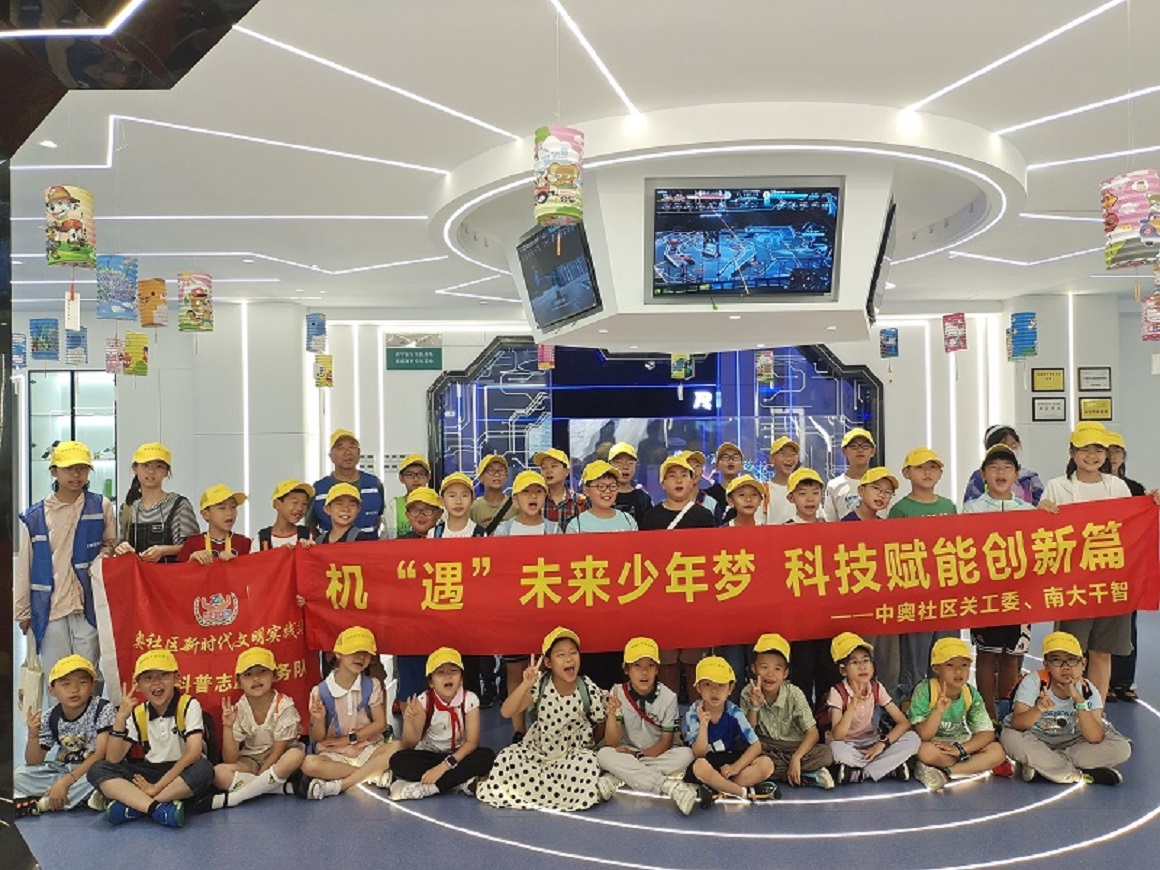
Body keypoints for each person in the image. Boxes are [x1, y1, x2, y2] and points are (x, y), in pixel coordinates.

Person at [1039, 423, 1160, 704]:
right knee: (1069, 651)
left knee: (1102, 651)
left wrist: (1151, 503)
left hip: (1111, 581)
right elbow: (1043, 533)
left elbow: (1133, 527)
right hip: (1074, 583)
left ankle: (1095, 711)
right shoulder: (1057, 486)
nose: (1092, 456)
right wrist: (1041, 511)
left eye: (1099, 450)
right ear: (1072, 452)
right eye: (1084, 449)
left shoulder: (1117, 487)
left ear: (1106, 455)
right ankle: (1069, 710)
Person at [15, 440, 117, 691]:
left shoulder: (101, 506)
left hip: (88, 603)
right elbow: (24, 566)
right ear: (54, 471)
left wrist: (102, 557)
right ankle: (57, 718)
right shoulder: (35, 516)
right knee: (57, 675)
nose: (76, 474)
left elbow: (110, 545)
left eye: (82, 468)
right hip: (50, 606)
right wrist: (23, 611)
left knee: (89, 673)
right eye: (69, 468)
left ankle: (94, 717)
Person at [475, 627, 609, 811]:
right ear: (548, 662)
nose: (569, 659)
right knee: (507, 757)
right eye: (560, 655)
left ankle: (542, 791)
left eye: (573, 653)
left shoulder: (586, 687)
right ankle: (554, 792)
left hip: (572, 755)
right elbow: (506, 712)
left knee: (587, 763)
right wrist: (525, 684)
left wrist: (589, 746)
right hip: (537, 752)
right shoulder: (541, 685)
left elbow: (601, 723)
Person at [87, 649, 215, 828]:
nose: (156, 682)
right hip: (150, 772)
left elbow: (193, 753)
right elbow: (113, 759)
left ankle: (137, 805)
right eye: (148, 678)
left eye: (164, 675)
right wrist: (120, 719)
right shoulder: (139, 713)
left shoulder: (188, 704)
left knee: (204, 769)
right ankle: (158, 808)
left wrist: (157, 787)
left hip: (181, 772)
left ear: (176, 678)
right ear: (138, 685)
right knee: (98, 769)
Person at [1000, 631, 1131, 785]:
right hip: (1035, 738)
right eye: (1056, 660)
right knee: (1009, 737)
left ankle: (1047, 767)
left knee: (1122, 748)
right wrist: (1038, 709)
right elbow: (1017, 724)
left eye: (1072, 660)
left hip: (1073, 742)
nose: (1065, 667)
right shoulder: (1034, 682)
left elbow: (1095, 737)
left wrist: (1079, 700)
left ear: (1083, 664)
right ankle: (1079, 774)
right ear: (1046, 665)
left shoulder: (1088, 690)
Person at [963, 444, 1035, 721]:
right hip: (985, 593)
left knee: (1011, 656)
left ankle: (1005, 713)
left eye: (1007, 468)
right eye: (994, 468)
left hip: (1020, 594)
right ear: (983, 474)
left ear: (1016, 474)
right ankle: (986, 715)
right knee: (986, 654)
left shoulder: (1028, 511)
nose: (1000, 473)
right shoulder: (972, 509)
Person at [493, 470, 562, 740]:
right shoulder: (504, 530)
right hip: (513, 611)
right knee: (515, 670)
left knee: (543, 669)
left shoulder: (554, 529)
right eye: (526, 492)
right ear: (515, 499)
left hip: (545, 610)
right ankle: (519, 730)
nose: (533, 497)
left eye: (538, 491)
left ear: (545, 496)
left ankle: (541, 725)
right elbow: (496, 567)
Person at [596, 637, 699, 814]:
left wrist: (638, 755)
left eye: (650, 666)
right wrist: (611, 714)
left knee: (687, 754)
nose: (644, 672)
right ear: (626, 669)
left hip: (655, 754)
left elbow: (666, 742)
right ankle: (668, 786)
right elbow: (612, 742)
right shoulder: (617, 691)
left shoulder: (668, 697)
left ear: (657, 669)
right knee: (604, 754)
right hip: (626, 751)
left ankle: (620, 777)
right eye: (637, 666)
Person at [888, 448, 958, 703]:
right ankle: (915, 707)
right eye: (920, 467)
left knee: (948, 654)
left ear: (941, 473)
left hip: (946, 593)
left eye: (933, 467)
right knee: (915, 660)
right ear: (907, 473)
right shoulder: (900, 509)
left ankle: (948, 708)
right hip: (915, 594)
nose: (927, 473)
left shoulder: (949, 506)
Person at [641, 455, 715, 697]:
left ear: (693, 481)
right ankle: (669, 715)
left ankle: (696, 715)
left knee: (694, 662)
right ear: (662, 483)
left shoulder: (704, 516)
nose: (679, 480)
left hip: (695, 598)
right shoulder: (651, 518)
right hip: (663, 600)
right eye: (672, 476)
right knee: (667, 662)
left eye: (684, 475)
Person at [387, 647, 496, 800]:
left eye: (453, 671)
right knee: (398, 760)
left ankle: (431, 788)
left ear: (461, 678)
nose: (448, 676)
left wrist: (444, 767)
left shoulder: (470, 699)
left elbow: (472, 742)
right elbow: (409, 743)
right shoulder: (424, 701)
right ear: (431, 682)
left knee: (486, 756)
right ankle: (461, 782)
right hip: (431, 755)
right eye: (440, 672)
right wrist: (409, 722)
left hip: (458, 756)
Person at [14, 654, 112, 816]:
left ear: (93, 685)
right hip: (64, 768)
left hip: (93, 768)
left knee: (103, 777)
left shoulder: (103, 709)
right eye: (66, 684)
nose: (74, 689)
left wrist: (64, 783)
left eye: (82, 682)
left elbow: (101, 754)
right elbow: (34, 761)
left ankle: (44, 803)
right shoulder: (50, 716)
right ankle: (79, 798)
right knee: (19, 775)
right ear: (52, 691)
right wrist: (33, 735)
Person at [301, 626, 392, 799]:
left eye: (366, 653)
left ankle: (343, 781)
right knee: (309, 764)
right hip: (334, 753)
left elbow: (380, 724)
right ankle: (371, 775)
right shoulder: (320, 691)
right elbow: (318, 737)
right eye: (354, 652)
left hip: (367, 748)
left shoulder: (372, 685)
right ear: (338, 654)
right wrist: (319, 719)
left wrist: (350, 739)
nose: (361, 657)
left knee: (397, 747)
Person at [210, 647, 304, 809]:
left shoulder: (284, 705)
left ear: (274, 675)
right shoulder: (239, 708)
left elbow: (277, 751)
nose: (256, 678)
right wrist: (228, 726)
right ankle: (279, 789)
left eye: (263, 671)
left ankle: (238, 797)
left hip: (278, 760)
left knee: (295, 755)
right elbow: (230, 759)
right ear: (239, 682)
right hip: (251, 760)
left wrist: (261, 776)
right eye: (248, 674)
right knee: (218, 773)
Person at [909, 638, 1008, 791]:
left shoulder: (970, 693)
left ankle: (946, 773)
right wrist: (938, 711)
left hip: (959, 743)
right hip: (935, 744)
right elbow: (924, 735)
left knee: (997, 752)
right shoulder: (926, 690)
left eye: (964, 665)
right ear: (936, 668)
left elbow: (987, 733)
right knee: (924, 751)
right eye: (950, 665)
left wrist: (961, 749)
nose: (958, 671)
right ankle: (970, 766)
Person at [740, 634, 834, 790]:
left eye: (777, 669)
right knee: (742, 749)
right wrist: (754, 706)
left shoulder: (794, 693)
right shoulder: (747, 692)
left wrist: (796, 757)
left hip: (793, 745)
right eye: (764, 667)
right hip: (765, 744)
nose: (770, 674)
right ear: (753, 669)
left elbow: (813, 733)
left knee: (826, 754)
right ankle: (803, 774)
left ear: (785, 673)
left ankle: (773, 771)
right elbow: (748, 732)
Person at [825, 632, 919, 784]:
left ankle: (859, 773)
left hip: (871, 740)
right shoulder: (837, 692)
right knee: (835, 749)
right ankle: (887, 768)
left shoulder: (876, 688)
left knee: (913, 739)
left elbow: (903, 723)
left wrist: (882, 745)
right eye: (854, 662)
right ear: (843, 670)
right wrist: (852, 706)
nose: (862, 666)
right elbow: (838, 736)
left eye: (866, 660)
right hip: (848, 744)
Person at [682, 656, 777, 804]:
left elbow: (756, 745)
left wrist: (735, 767)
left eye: (721, 685)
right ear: (698, 688)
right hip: (707, 762)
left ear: (730, 689)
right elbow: (699, 753)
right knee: (700, 766)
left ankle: (719, 788)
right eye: (707, 684)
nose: (714, 690)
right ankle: (741, 792)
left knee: (766, 764)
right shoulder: (693, 713)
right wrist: (703, 725)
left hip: (729, 761)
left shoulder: (734, 712)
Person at [839, 469, 902, 695]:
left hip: (884, 603)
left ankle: (887, 705)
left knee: (889, 661)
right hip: (858, 604)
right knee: (860, 658)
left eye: (887, 492)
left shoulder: (887, 526)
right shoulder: (845, 525)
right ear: (861, 490)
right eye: (876, 489)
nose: (881, 495)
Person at [783, 468, 840, 709]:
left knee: (829, 670)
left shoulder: (831, 530)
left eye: (815, 493)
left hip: (827, 614)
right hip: (799, 617)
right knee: (802, 672)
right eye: (802, 493)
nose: (809, 499)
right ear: (791, 498)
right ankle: (803, 720)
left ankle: (827, 719)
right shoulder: (782, 531)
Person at [1107, 431, 1146, 703]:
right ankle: (1100, 681)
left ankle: (1122, 680)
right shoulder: (1088, 487)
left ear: (1124, 456)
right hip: (1095, 564)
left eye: (1117, 451)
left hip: (1126, 564)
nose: (1112, 456)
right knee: (1097, 623)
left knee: (1126, 624)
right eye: (1108, 451)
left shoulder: (1135, 489)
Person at [113, 442, 198, 562]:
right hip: (138, 574)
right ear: (135, 469)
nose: (151, 471)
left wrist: (164, 551)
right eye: (145, 465)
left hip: (172, 572)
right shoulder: (128, 508)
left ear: (166, 471)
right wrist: (122, 547)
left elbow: (194, 547)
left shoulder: (180, 505)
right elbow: (121, 543)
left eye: (158, 466)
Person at [310, 428, 385, 538]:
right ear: (330, 456)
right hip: (331, 548)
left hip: (369, 547)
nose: (348, 452)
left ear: (359, 453)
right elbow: (310, 525)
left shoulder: (374, 483)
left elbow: (378, 518)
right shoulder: (319, 488)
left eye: (352, 447)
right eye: (340, 448)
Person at [961, 424, 1044, 506]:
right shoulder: (979, 477)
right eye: (1004, 445)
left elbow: (1040, 505)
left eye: (1014, 445)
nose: (1010, 449)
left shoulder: (1030, 477)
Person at [177, 484, 252, 563]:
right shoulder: (193, 543)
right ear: (206, 514)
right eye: (222, 508)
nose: (229, 513)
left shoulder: (244, 543)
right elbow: (177, 569)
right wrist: (191, 561)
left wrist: (237, 562)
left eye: (233, 507)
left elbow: (254, 568)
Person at [566, 461, 638, 533]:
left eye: (612, 486)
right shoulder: (576, 526)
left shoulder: (628, 521)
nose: (608, 491)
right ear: (586, 490)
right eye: (601, 486)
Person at [823, 427, 877, 521]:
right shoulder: (834, 486)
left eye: (865, 446)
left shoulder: (882, 482)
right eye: (854, 446)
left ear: (872, 451)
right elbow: (830, 523)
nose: (860, 450)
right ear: (844, 451)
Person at [536, 448, 588, 532]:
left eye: (554, 466)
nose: (548, 471)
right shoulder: (536, 501)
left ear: (566, 471)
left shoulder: (579, 502)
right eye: (544, 467)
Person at [383, 453, 431, 539]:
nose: (416, 479)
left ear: (428, 477)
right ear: (401, 478)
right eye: (410, 475)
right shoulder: (393, 506)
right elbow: (386, 538)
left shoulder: (438, 505)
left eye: (421, 474)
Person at [255, 479, 314, 549]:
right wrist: (280, 552)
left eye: (304, 504)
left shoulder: (307, 535)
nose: (300, 508)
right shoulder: (260, 538)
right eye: (295, 502)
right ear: (277, 504)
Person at [315, 482, 381, 544]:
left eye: (352, 505)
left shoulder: (363, 541)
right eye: (339, 504)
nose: (346, 509)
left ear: (358, 509)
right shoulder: (319, 542)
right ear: (327, 509)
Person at [469, 453, 517, 533]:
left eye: (501, 470)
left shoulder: (515, 506)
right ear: (481, 477)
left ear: (506, 476)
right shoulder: (474, 508)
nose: (497, 474)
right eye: (491, 470)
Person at [430, 472, 485, 538]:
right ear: (442, 500)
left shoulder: (480, 534)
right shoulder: (433, 534)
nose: (458, 501)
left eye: (464, 496)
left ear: (472, 500)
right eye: (452, 496)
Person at [610, 442, 652, 525]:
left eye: (630, 463)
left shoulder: (643, 498)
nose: (625, 467)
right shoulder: (601, 497)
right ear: (610, 465)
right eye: (619, 462)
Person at [703, 441, 745, 524]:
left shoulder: (749, 495)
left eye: (735, 458)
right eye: (725, 457)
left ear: (742, 466)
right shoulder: (708, 496)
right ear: (717, 466)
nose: (730, 461)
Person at [765, 436, 801, 525]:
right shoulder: (764, 491)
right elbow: (757, 524)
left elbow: (820, 520)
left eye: (793, 454)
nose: (789, 458)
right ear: (772, 459)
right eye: (783, 454)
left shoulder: (804, 489)